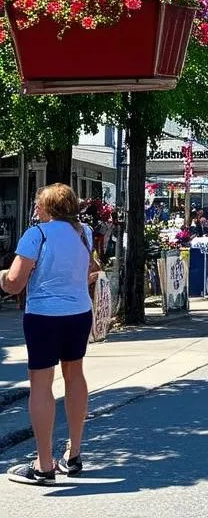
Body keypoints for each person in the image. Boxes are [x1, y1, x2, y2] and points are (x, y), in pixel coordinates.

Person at [0, 184, 98, 485]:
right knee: (75, 374)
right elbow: (86, 272)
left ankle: (44, 464)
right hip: (79, 312)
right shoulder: (85, 233)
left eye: (38, 205)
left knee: (41, 385)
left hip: (44, 316)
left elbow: (15, 283)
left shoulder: (36, 235)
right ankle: (74, 453)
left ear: (48, 207)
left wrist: (2, 277)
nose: (35, 210)